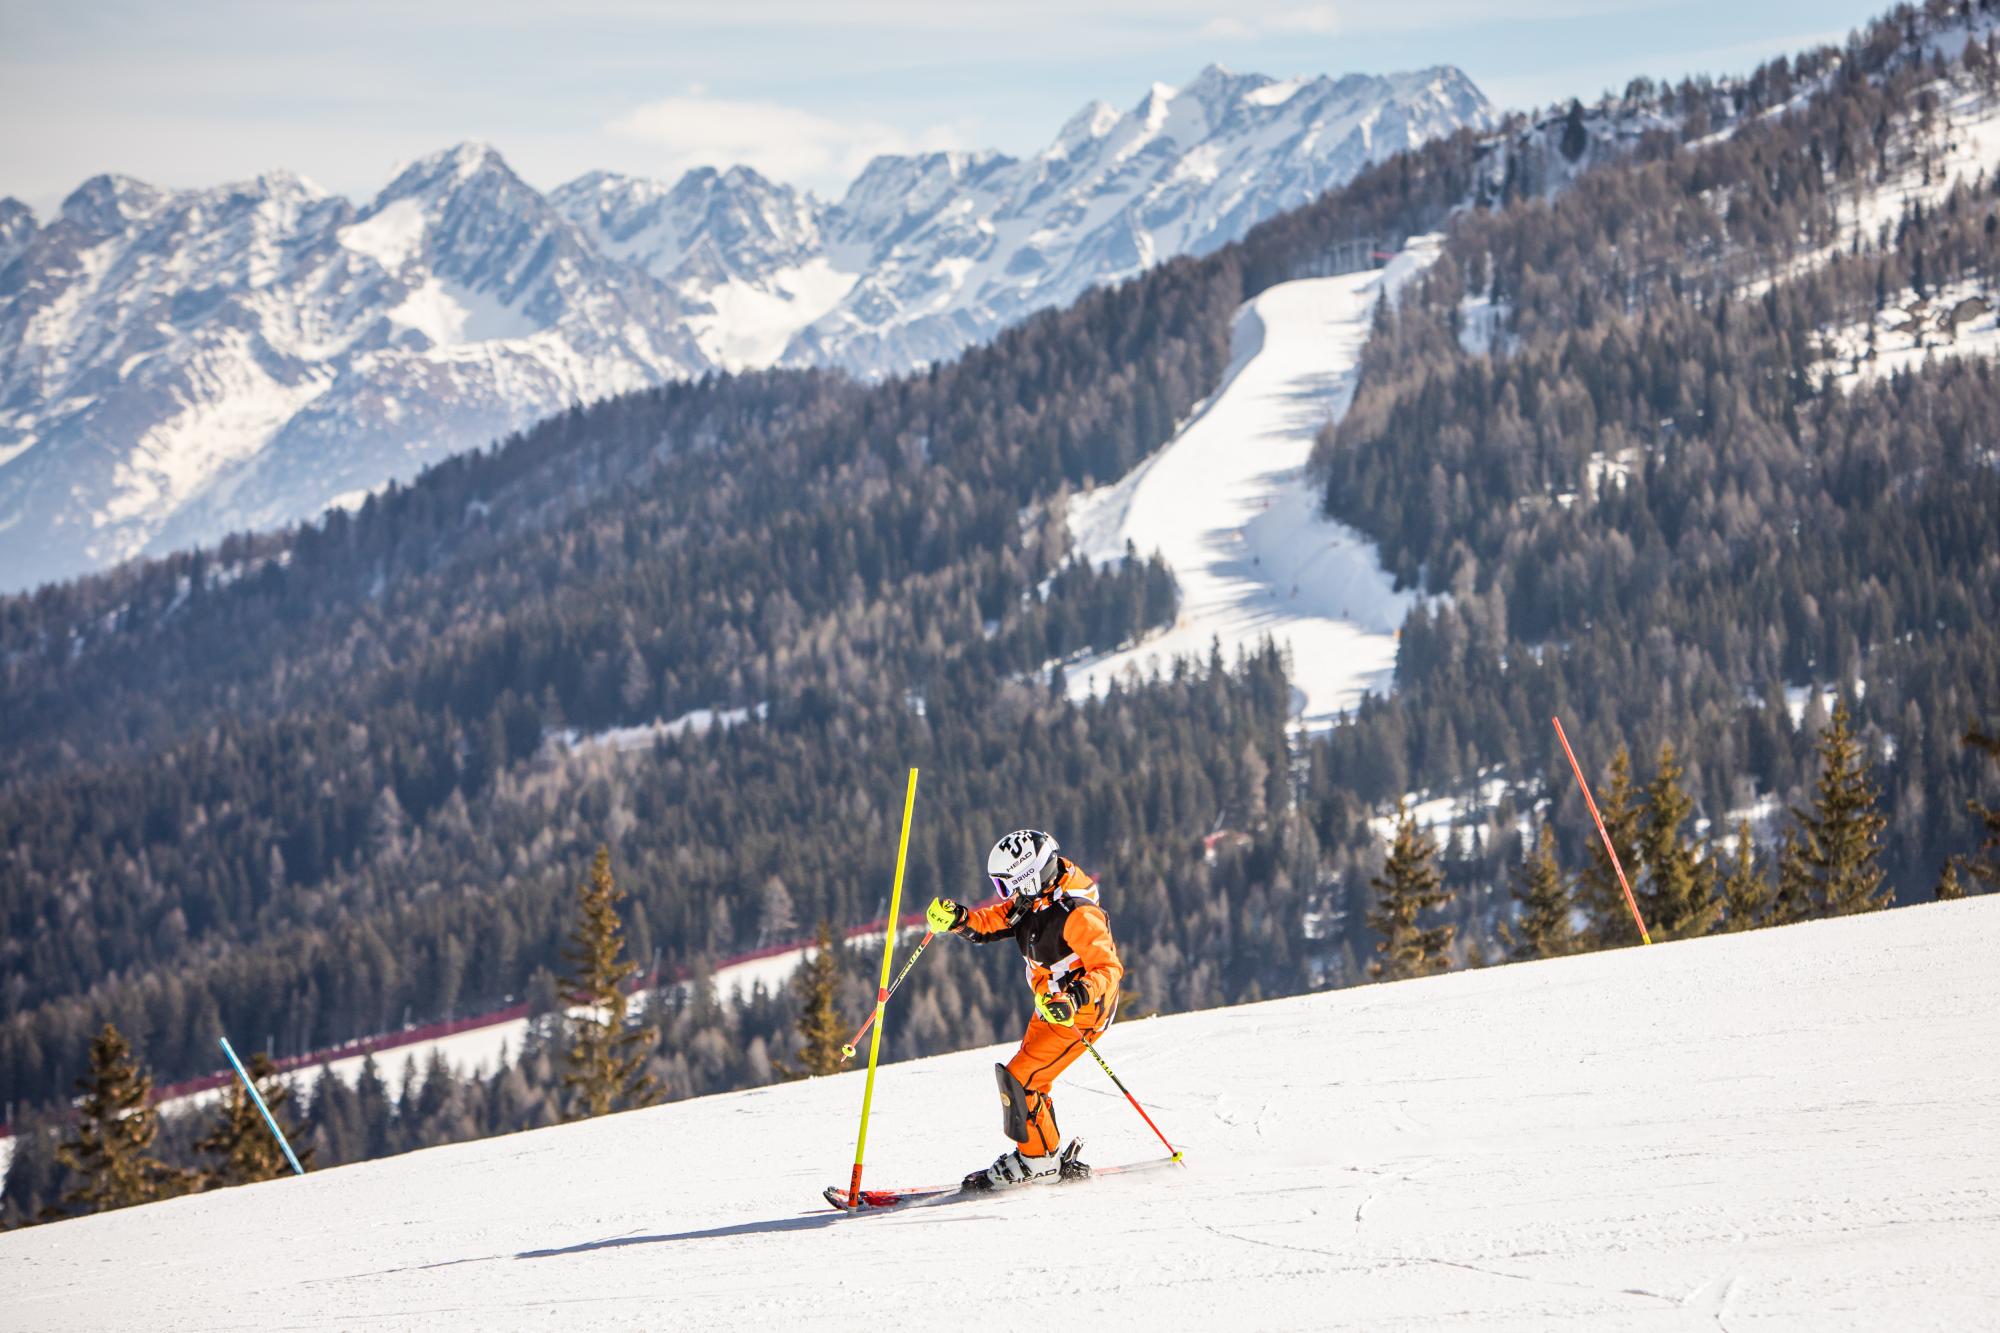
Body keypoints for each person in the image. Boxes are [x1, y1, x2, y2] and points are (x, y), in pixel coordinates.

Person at [927, 828, 1123, 1189]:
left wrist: (1074, 997)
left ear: (1030, 876)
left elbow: (1108, 968)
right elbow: (1000, 919)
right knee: (1029, 1080)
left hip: (1078, 1012)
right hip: (1051, 1004)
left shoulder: (1077, 912)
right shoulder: (1036, 895)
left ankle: (1038, 1163)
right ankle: (1043, 1152)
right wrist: (962, 920)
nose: (1008, 894)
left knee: (1020, 1080)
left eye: (1008, 885)